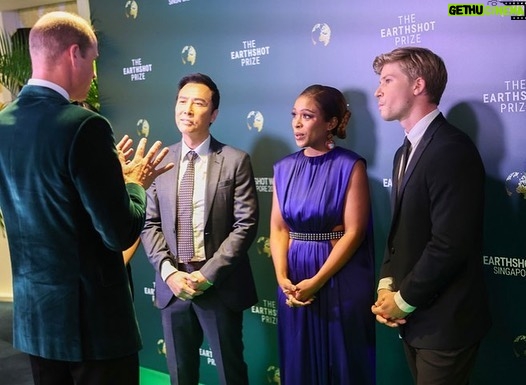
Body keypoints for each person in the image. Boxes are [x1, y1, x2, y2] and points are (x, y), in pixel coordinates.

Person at [0, 11, 174, 385]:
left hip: (35, 323)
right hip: (93, 328)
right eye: (94, 62)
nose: (94, 74)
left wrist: (110, 178)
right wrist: (134, 182)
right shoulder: (85, 126)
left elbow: (50, 203)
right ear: (74, 54)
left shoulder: (3, 124)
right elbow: (119, 232)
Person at [370, 47, 491, 385]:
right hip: (414, 320)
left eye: (387, 80)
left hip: (446, 324)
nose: (377, 91)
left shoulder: (452, 148)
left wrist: (403, 301)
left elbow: (450, 243)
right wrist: (386, 285)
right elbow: (400, 233)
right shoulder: (402, 153)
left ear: (418, 85)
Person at [141, 72, 259, 385]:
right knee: (181, 375)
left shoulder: (234, 160)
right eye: (182, 102)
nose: (187, 110)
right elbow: (149, 223)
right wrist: (169, 272)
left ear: (214, 114)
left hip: (218, 285)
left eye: (198, 103)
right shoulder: (160, 160)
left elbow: (245, 224)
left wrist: (206, 275)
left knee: (230, 371)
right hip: (173, 285)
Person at [270, 84, 376, 385]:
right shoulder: (283, 168)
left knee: (341, 363)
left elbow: (354, 232)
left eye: (307, 115)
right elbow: (278, 228)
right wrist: (282, 279)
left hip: (337, 277)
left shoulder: (349, 165)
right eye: (294, 115)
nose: (297, 123)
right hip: (293, 281)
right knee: (298, 361)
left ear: (331, 123)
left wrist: (316, 282)